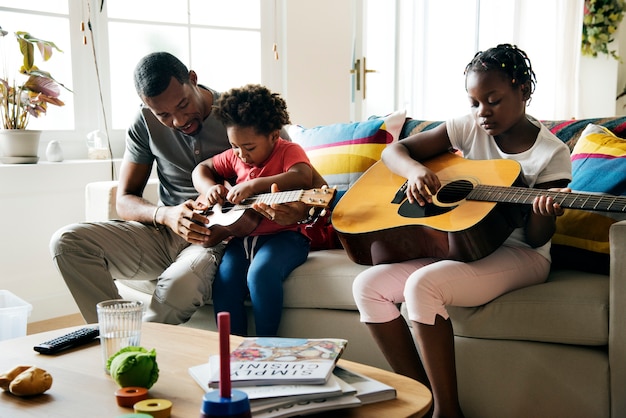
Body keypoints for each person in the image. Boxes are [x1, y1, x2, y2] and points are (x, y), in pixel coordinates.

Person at [351, 44, 572, 417]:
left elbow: (537, 238)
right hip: (467, 241)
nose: (483, 112)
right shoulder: (468, 125)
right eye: (475, 102)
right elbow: (394, 152)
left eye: (494, 100)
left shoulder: (551, 154)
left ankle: (447, 411)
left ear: (523, 91)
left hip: (522, 253)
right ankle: (419, 402)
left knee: (423, 286)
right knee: (367, 286)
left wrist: (543, 211)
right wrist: (416, 171)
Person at [50, 52, 324, 325]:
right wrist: (166, 215)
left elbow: (311, 184)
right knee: (67, 242)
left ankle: (140, 344)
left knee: (179, 285)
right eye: (164, 115)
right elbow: (124, 200)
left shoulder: (241, 116)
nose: (179, 121)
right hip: (161, 231)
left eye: (183, 105)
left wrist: (298, 214)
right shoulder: (144, 122)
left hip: (215, 236)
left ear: (193, 79)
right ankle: (118, 335)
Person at [192, 84, 313, 336]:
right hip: (241, 239)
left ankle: (266, 345)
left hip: (285, 237)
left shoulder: (288, 150)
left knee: (261, 274)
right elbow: (200, 169)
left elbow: (302, 176)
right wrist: (210, 188)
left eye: (249, 147)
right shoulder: (234, 156)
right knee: (224, 283)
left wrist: (254, 185)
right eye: (234, 146)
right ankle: (234, 350)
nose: (241, 155)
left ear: (272, 135)